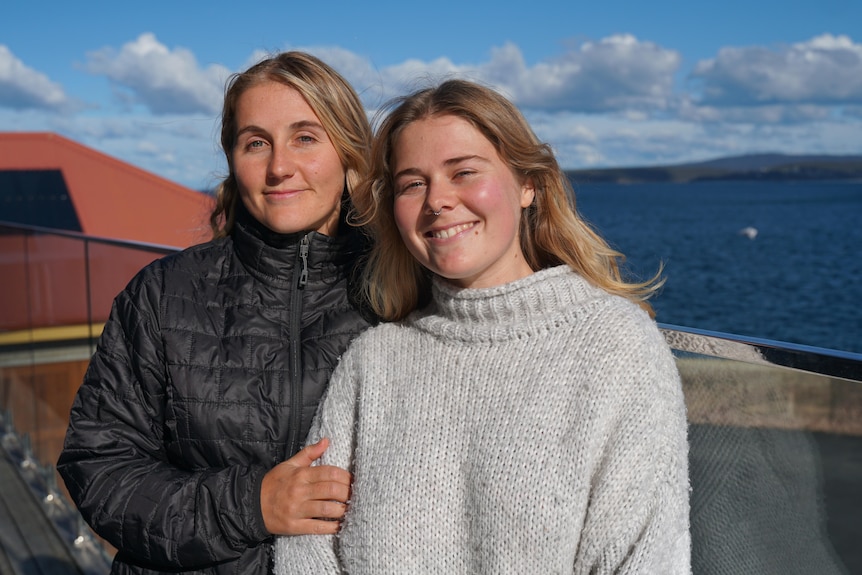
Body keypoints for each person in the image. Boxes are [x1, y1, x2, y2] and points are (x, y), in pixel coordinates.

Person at [274, 79, 691, 573]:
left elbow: (643, 559)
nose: (438, 201)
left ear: (528, 185)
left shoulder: (616, 347)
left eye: (464, 172)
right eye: (413, 183)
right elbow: (307, 549)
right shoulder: (375, 359)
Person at [57, 51, 374, 574]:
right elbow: (99, 465)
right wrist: (251, 505)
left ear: (349, 152)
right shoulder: (163, 293)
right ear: (232, 158)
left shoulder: (397, 294)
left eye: (306, 137)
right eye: (256, 143)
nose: (279, 167)